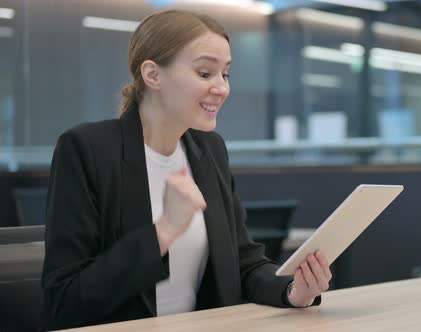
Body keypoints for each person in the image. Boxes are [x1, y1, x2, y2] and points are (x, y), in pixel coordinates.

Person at [41, 9, 331, 330]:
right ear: (152, 75)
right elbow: (65, 299)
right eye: (205, 73)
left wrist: (292, 291)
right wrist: (164, 231)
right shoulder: (87, 149)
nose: (221, 88)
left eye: (226, 74)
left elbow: (243, 263)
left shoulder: (208, 150)